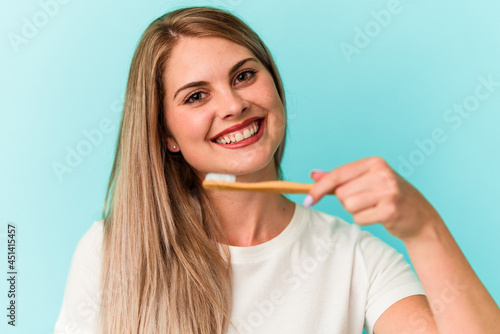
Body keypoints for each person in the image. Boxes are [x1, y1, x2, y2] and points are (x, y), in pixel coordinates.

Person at [54, 6, 500, 334]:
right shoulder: (112, 252)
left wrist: (424, 228)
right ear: (166, 135)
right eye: (196, 96)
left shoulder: (355, 258)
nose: (233, 105)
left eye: (244, 75)